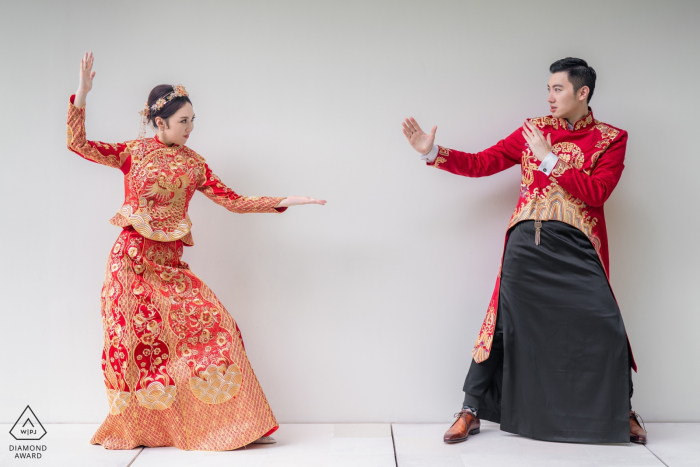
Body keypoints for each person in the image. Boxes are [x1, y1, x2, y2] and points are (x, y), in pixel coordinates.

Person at [67, 52, 326, 451]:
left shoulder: (195, 164)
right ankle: (138, 430)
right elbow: (78, 143)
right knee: (134, 351)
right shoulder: (133, 153)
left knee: (220, 327)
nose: (190, 129)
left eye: (192, 121)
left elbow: (234, 201)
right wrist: (82, 94)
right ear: (160, 123)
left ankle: (235, 426)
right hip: (130, 265)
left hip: (169, 266)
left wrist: (285, 200)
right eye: (183, 121)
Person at [402, 57, 647, 444]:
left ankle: (622, 408)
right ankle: (471, 408)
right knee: (501, 323)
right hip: (528, 243)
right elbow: (483, 163)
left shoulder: (611, 138)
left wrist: (548, 159)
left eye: (558, 89)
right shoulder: (532, 130)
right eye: (548, 88)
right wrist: (433, 153)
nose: (549, 97)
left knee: (605, 322)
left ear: (582, 93)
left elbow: (598, 192)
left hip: (580, 246)